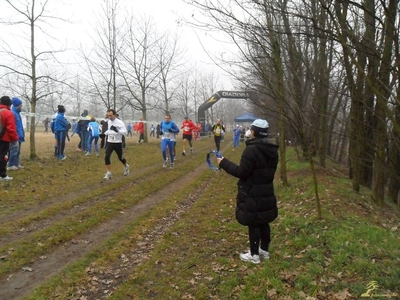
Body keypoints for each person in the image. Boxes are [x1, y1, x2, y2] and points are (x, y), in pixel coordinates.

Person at [217, 119, 279, 264]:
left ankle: (254, 255)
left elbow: (241, 172)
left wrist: (224, 162)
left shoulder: (251, 150)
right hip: (267, 191)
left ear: (253, 132)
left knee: (254, 223)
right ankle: (264, 251)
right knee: (264, 221)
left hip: (252, 192)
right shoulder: (272, 150)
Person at [103, 109, 129, 180]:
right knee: (107, 156)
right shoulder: (109, 122)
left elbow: (125, 132)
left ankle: (126, 166)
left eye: (111, 115)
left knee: (120, 158)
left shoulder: (120, 122)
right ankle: (108, 173)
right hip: (110, 142)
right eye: (108, 116)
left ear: (114, 115)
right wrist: (104, 134)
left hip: (117, 143)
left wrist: (118, 130)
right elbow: (109, 130)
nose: (109, 117)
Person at [0, 96, 18, 181]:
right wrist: (15, 139)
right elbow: (11, 129)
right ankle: (2, 175)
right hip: (4, 138)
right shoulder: (8, 113)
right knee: (3, 156)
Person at [7, 97, 25, 171]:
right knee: (13, 150)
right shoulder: (13, 113)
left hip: (19, 135)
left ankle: (16, 163)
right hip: (15, 135)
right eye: (20, 105)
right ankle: (11, 164)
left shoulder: (17, 113)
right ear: (16, 106)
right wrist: (15, 135)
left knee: (18, 151)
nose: (21, 107)